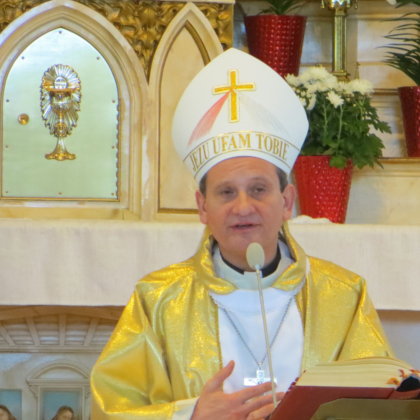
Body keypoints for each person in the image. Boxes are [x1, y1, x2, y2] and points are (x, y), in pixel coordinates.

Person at [91, 49, 393, 420]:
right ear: (203, 206)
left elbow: (378, 408)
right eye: (226, 192)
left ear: (287, 202)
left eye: (258, 189)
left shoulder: (343, 296)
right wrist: (191, 415)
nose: (243, 206)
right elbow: (109, 409)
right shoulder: (158, 300)